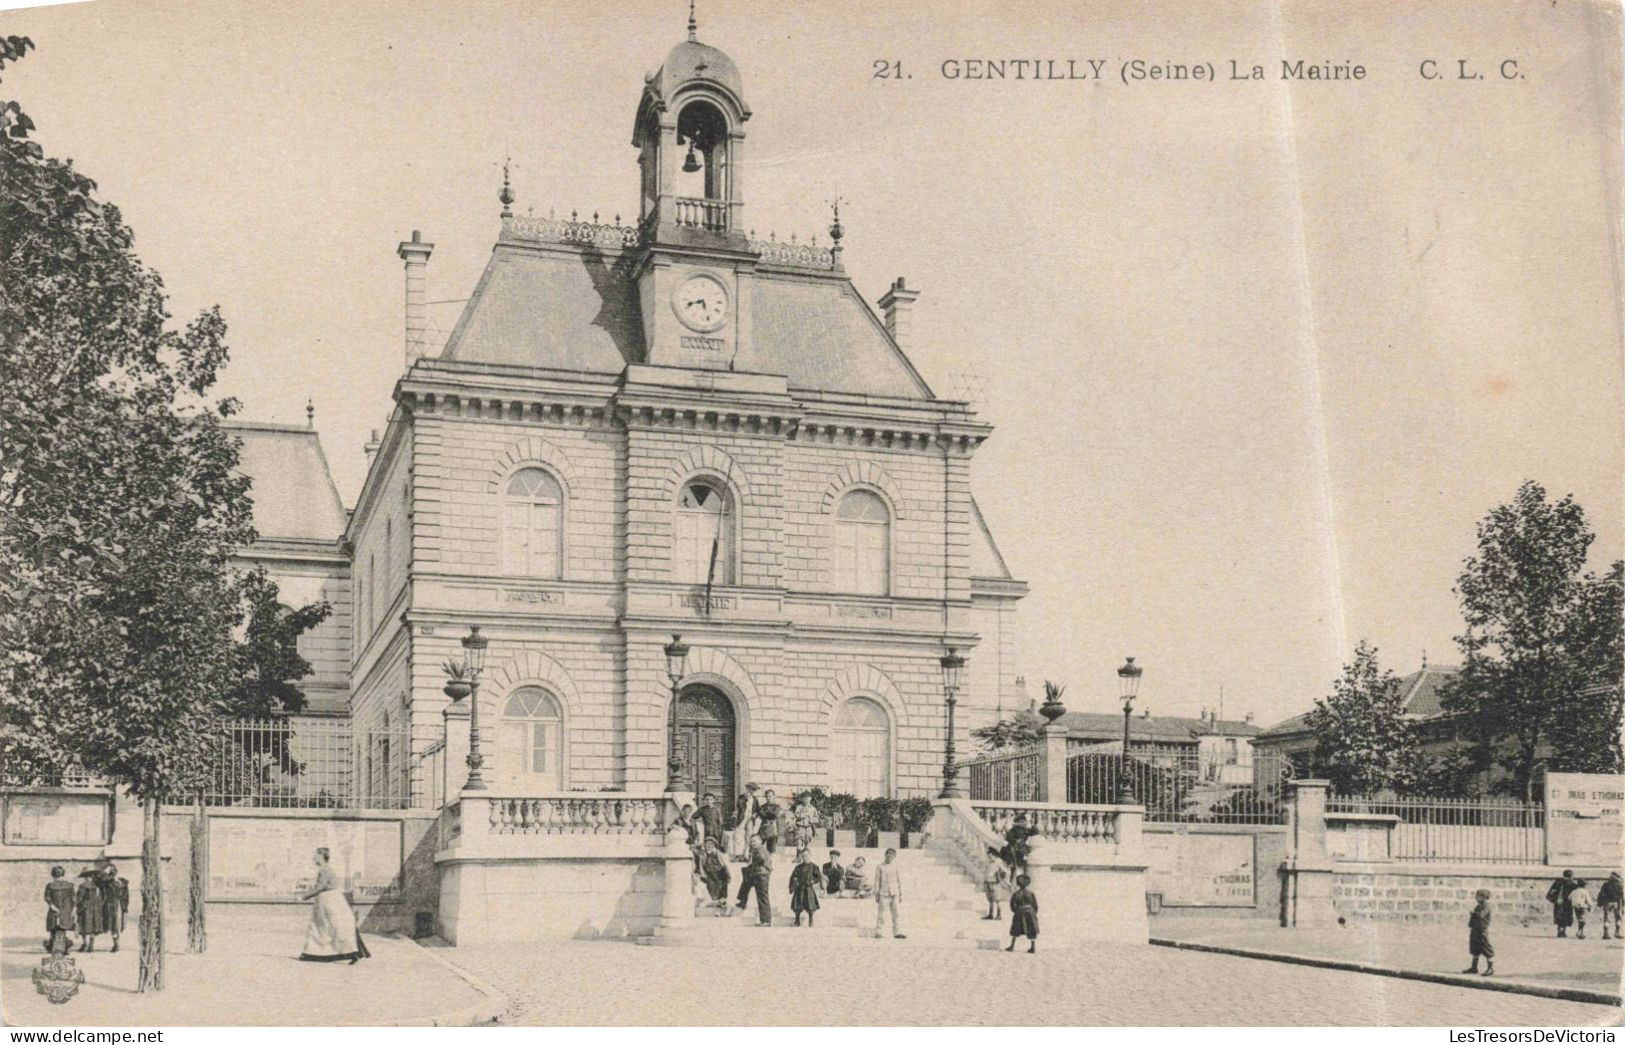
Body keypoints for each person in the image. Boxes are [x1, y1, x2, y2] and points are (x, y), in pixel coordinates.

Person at [298, 847, 371, 963]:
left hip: (328, 900)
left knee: (324, 927)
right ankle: (347, 953)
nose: (313, 858)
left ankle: (317, 953)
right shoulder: (326, 869)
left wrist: (304, 896)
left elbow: (320, 886)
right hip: (330, 899)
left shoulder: (324, 869)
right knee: (332, 926)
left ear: (322, 856)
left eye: (316, 855)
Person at [735, 837, 773, 925]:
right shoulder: (755, 850)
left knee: (762, 898)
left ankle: (766, 920)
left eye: (755, 841)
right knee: (746, 883)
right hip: (756, 874)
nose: (753, 843)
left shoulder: (761, 850)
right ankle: (742, 901)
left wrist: (752, 864)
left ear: (760, 841)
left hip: (761, 875)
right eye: (751, 841)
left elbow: (761, 859)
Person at [873, 847, 905, 939]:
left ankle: (897, 932)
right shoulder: (880, 866)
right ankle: (879, 932)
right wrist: (877, 893)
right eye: (888, 855)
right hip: (884, 892)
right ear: (885, 855)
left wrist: (900, 893)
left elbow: (899, 880)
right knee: (881, 914)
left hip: (895, 892)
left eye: (891, 856)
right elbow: (877, 880)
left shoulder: (896, 866)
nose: (889, 857)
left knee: (896, 913)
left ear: (894, 857)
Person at [43, 865, 76, 955]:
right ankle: (64, 946)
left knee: (54, 929)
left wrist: (52, 906)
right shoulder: (69, 885)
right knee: (62, 928)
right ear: (63, 874)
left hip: (54, 909)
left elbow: (47, 898)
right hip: (66, 910)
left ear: (53, 875)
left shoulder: (50, 886)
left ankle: (57, 946)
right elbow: (73, 899)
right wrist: (72, 909)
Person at [99, 864, 130, 953]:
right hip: (115, 905)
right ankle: (116, 944)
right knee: (115, 925)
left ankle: (116, 944)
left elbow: (126, 895)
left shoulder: (116, 882)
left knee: (115, 924)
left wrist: (125, 906)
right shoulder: (111, 882)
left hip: (113, 905)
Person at [1464, 888, 1494, 976]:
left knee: (1486, 948)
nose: (1476, 898)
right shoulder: (1478, 906)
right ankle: (1474, 967)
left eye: (1477, 896)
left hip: (1482, 931)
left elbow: (1481, 915)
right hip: (1475, 929)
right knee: (1474, 948)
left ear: (1483, 897)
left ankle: (1490, 968)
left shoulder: (1486, 906)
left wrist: (1473, 913)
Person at [789, 848, 822, 927]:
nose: (805, 858)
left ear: (810, 855)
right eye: (803, 856)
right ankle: (797, 921)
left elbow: (818, 877)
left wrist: (813, 881)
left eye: (806, 856)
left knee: (810, 906)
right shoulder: (798, 867)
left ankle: (811, 921)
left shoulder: (814, 867)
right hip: (799, 889)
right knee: (797, 906)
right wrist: (793, 882)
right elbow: (793, 876)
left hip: (808, 889)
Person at [1007, 873, 1039, 954]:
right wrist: (1034, 913)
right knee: (1031, 929)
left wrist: (1016, 911)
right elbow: (1035, 905)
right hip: (1030, 912)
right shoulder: (1031, 893)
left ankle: (1012, 946)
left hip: (1020, 911)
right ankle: (1033, 947)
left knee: (1015, 929)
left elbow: (1012, 905)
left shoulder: (1016, 894)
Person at [74, 868, 103, 953]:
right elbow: (100, 899)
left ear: (85, 877)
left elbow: (79, 899)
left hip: (85, 909)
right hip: (95, 909)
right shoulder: (97, 887)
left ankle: (85, 943)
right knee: (93, 926)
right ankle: (91, 945)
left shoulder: (83, 886)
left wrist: (75, 904)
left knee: (83, 927)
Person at [698, 838, 732, 910]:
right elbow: (701, 865)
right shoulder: (703, 855)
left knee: (722, 890)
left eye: (711, 844)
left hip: (720, 874)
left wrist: (728, 874)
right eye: (707, 844)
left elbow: (724, 864)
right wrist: (703, 875)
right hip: (710, 875)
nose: (709, 846)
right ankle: (717, 905)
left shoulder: (717, 853)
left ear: (714, 845)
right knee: (712, 889)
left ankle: (722, 905)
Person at [731, 785, 760, 862]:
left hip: (751, 818)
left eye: (754, 790)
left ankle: (746, 855)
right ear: (747, 789)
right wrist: (746, 799)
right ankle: (738, 855)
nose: (752, 791)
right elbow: (740, 806)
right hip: (742, 817)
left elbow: (758, 810)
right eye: (750, 789)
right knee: (738, 835)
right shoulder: (741, 797)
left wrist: (755, 815)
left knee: (749, 836)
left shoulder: (755, 799)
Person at [1547, 869, 1578, 938]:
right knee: (1565, 917)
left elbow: (1550, 893)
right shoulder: (1572, 884)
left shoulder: (1557, 882)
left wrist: (1554, 900)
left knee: (1559, 917)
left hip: (1558, 903)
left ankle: (1560, 931)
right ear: (1571, 876)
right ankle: (1562, 931)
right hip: (1567, 904)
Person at [1598, 872, 1623, 940]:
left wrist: (1601, 903)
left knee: (1606, 918)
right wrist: (1622, 906)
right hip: (1616, 903)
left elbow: (1601, 894)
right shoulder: (1619, 885)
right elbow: (1621, 896)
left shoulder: (1605, 885)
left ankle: (1606, 933)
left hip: (1607, 903)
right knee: (1618, 918)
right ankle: (1617, 932)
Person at [757, 789, 783, 853]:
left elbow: (775, 814)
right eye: (766, 796)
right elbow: (761, 815)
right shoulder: (763, 807)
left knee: (771, 849)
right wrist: (770, 814)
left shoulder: (777, 806)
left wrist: (768, 813)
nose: (768, 798)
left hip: (773, 829)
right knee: (757, 844)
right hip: (763, 829)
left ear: (774, 796)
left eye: (770, 796)